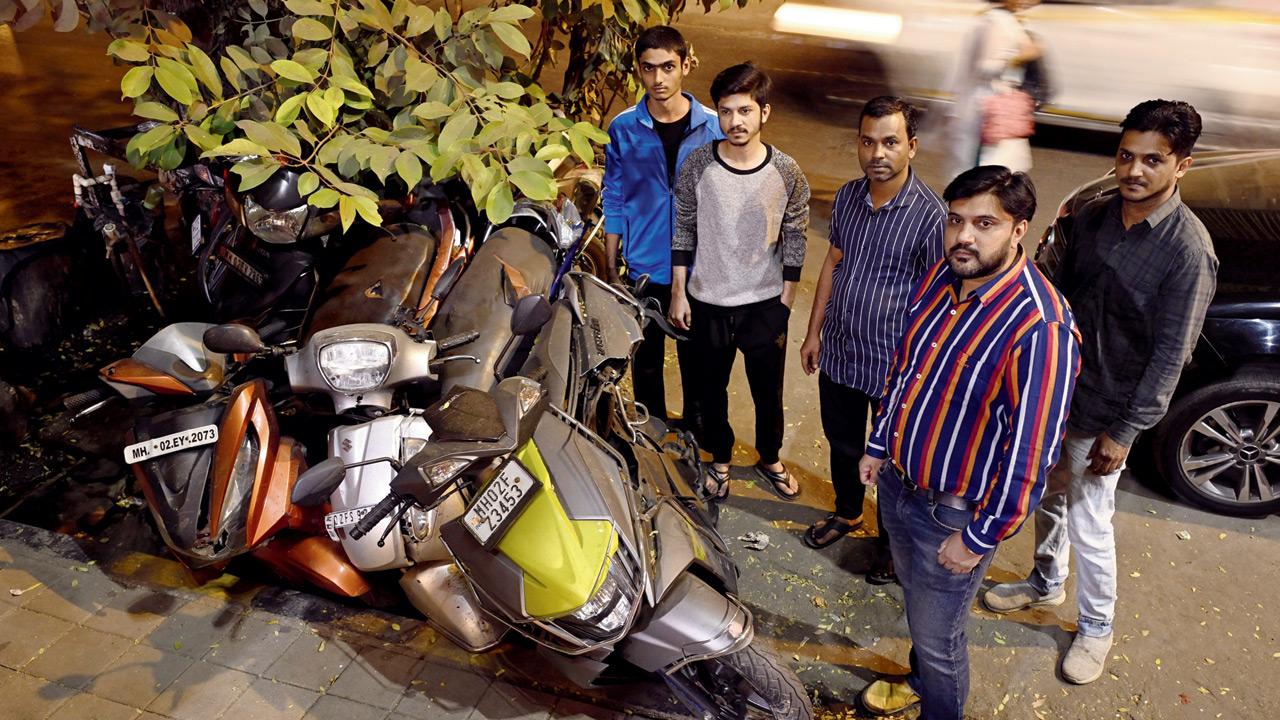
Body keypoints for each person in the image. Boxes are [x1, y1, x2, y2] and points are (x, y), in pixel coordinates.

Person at [983, 100, 1217, 685]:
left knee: (1091, 519)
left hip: (1108, 412)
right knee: (1049, 496)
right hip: (1056, 394)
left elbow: (1172, 355)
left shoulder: (1188, 252)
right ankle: (1044, 584)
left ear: (1181, 166)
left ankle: (1096, 628)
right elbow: (1053, 290)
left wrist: (1126, 431)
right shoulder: (1094, 215)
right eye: (1126, 156)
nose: (1134, 171)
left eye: (1153, 161)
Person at [857, 166, 1080, 719]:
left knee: (939, 639)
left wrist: (980, 539)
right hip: (899, 488)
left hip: (951, 517)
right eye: (956, 220)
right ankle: (919, 678)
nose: (964, 236)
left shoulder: (1040, 327)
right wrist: (880, 443)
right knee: (916, 604)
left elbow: (1032, 457)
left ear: (1019, 228)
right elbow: (908, 367)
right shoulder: (944, 275)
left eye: (985, 223)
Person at [798, 96, 945, 587]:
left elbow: (937, 303)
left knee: (890, 465)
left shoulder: (930, 216)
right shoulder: (845, 198)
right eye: (867, 141)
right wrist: (813, 331)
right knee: (843, 444)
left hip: (894, 369)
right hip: (840, 351)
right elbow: (833, 263)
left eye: (890, 142)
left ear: (912, 147)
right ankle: (846, 512)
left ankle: (889, 543)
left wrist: (922, 373)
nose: (876, 153)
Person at [668, 62, 810, 501]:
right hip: (707, 299)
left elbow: (795, 234)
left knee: (768, 393)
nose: (736, 122)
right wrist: (679, 291)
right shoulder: (697, 165)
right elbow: (684, 227)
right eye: (726, 112)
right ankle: (720, 460)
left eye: (745, 111)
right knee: (711, 392)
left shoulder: (786, 171)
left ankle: (769, 458)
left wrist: (785, 301)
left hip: (764, 304)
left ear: (764, 112)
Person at [602, 26, 723, 430]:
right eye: (648, 68)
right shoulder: (623, 128)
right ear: (638, 70)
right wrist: (610, 258)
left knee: (697, 362)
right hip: (644, 266)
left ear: (686, 65)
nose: (658, 79)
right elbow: (615, 195)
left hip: (700, 265)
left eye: (668, 67)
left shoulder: (713, 126)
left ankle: (695, 435)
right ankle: (652, 434)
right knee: (647, 363)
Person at [945, 0, 1042, 179]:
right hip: (986, 112)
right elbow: (985, 66)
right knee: (982, 175)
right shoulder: (994, 22)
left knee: (998, 174)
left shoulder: (1008, 19)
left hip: (1000, 111)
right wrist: (1018, 56)